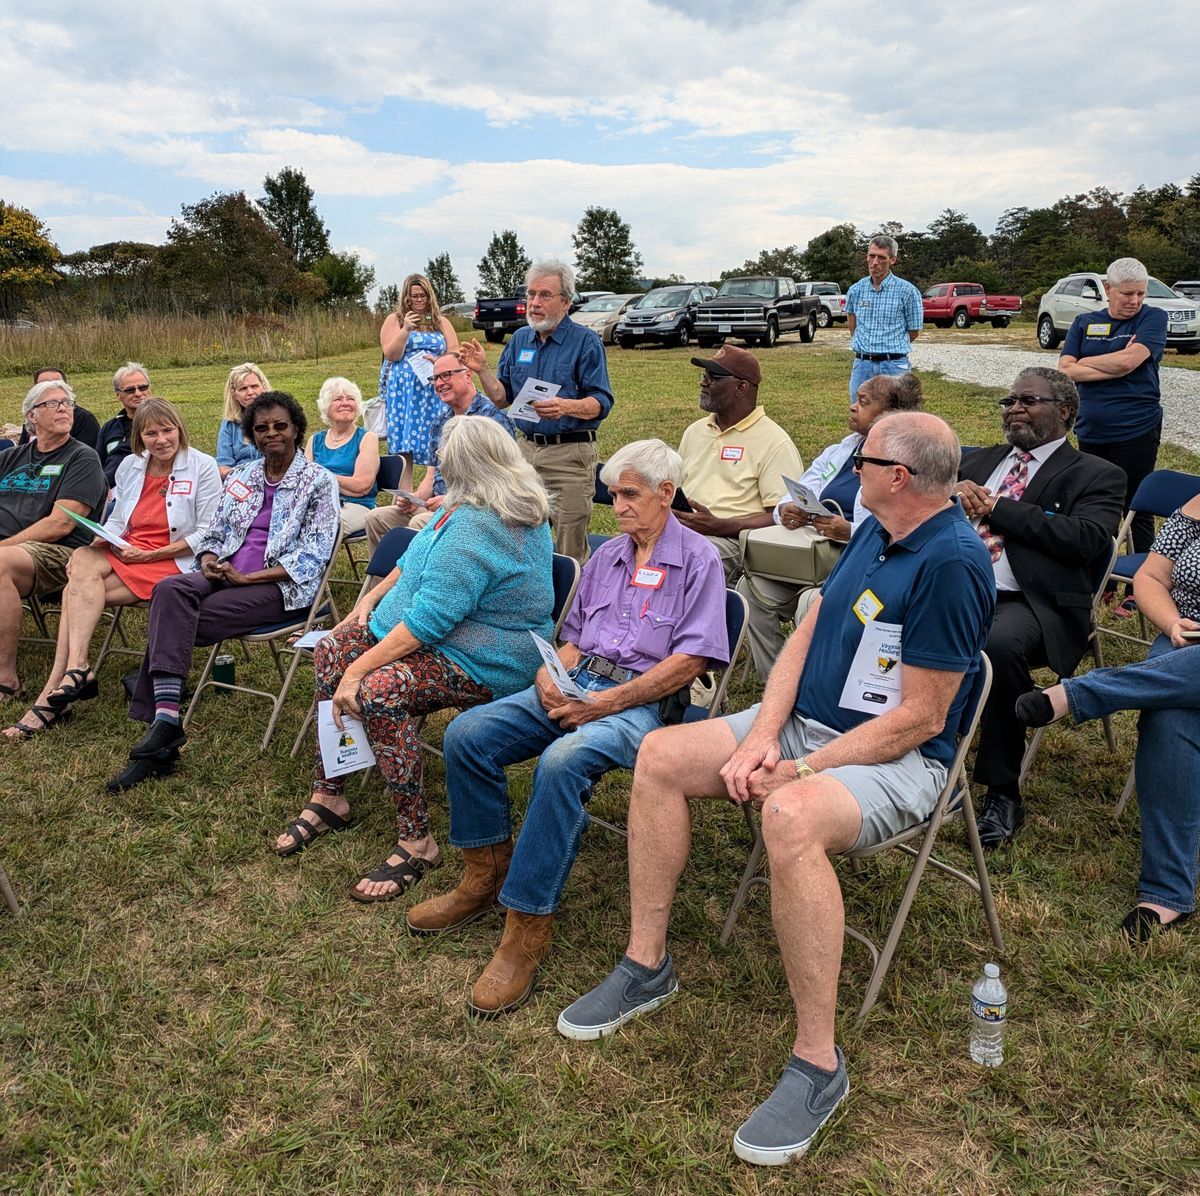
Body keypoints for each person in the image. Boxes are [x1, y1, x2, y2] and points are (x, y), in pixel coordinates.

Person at [556, 413, 994, 1167]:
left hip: (895, 759)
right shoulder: (872, 526)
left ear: (902, 476)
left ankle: (818, 1064)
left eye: (865, 457)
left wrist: (797, 769)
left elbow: (919, 720)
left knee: (787, 816)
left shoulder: (951, 563)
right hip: (800, 722)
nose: (851, 465)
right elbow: (805, 633)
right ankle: (645, 964)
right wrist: (763, 736)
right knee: (660, 755)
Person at [406, 438, 730, 1017]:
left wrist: (605, 705)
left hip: (644, 705)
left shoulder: (698, 559)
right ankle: (484, 875)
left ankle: (526, 926)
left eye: (631, 494)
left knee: (562, 761)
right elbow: (574, 638)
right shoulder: (607, 555)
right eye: (614, 493)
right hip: (581, 685)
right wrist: (551, 675)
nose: (618, 504)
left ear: (666, 493)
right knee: (467, 735)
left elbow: (690, 663)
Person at [272, 416, 555, 905]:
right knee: (331, 648)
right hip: (443, 636)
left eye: (444, 455)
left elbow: (430, 621)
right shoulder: (466, 503)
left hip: (486, 656)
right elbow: (413, 557)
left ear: (464, 464)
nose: (437, 462)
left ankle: (417, 840)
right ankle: (330, 791)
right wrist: (370, 602)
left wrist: (359, 672)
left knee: (380, 689)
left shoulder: (485, 525)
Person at [105, 391, 340, 792]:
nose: (271, 434)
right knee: (169, 591)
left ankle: (160, 731)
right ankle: (167, 722)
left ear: (296, 428)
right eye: (261, 428)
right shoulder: (246, 476)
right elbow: (214, 530)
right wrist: (211, 556)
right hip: (223, 573)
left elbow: (313, 557)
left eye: (280, 426)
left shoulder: (319, 482)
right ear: (251, 434)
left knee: (174, 623)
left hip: (279, 587)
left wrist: (251, 578)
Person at [1016, 491, 1200, 942]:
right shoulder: (1196, 508)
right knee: (1169, 720)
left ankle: (1078, 695)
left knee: (1168, 702)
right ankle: (1165, 893)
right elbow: (1151, 578)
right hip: (1186, 643)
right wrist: (1173, 623)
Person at [956, 367, 1125, 847]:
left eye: (1028, 400)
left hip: (1030, 599)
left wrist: (997, 508)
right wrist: (952, 494)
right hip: (956, 585)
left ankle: (1001, 790)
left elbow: (1088, 540)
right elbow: (925, 504)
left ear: (1065, 411)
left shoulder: (1095, 473)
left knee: (997, 646)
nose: (1014, 408)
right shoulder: (979, 459)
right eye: (1008, 400)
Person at [4, 399, 221, 738]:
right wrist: (106, 541)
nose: (161, 439)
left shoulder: (202, 466)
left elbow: (209, 531)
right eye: (151, 433)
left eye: (168, 430)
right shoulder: (131, 466)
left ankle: (52, 697)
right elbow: (119, 519)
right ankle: (76, 668)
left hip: (172, 559)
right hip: (130, 551)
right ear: (139, 436)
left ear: (180, 429)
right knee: (82, 563)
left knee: (77, 590)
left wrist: (151, 555)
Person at [740, 372, 924, 682]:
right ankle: (776, 680)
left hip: (859, 566)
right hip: (810, 556)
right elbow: (803, 484)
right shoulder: (845, 448)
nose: (853, 407)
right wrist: (787, 509)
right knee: (749, 590)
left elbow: (900, 529)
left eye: (863, 402)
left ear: (889, 415)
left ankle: (813, 684)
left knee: (812, 602)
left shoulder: (904, 465)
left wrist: (848, 531)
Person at [461, 259, 613, 562]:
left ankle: (570, 608)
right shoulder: (519, 340)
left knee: (569, 547)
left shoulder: (585, 342)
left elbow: (602, 402)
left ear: (566, 302)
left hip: (569, 455)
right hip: (524, 453)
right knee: (518, 536)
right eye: (531, 295)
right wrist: (482, 370)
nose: (534, 303)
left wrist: (565, 406)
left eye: (545, 295)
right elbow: (501, 398)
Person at [1058, 257, 1169, 617]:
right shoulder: (1084, 322)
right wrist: (1114, 358)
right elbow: (1065, 370)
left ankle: (1139, 587)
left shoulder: (1152, 318)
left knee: (1136, 505)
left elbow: (1129, 363)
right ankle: (1102, 577)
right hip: (1092, 428)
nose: (1134, 300)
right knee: (1095, 507)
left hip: (1137, 428)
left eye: (1140, 293)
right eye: (1126, 294)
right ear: (1107, 289)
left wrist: (1090, 364)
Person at [0, 380, 108, 702]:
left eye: (67, 403)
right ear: (31, 416)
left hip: (58, 554)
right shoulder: (12, 457)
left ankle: (6, 678)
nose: (63, 407)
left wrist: (4, 547)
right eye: (53, 403)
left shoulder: (82, 458)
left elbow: (60, 524)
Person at [673, 345, 803, 582]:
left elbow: (782, 514)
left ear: (741, 387)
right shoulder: (695, 431)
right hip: (682, 530)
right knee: (626, 551)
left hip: (733, 542)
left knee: (682, 561)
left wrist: (720, 526)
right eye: (704, 376)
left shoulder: (775, 442)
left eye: (713, 378)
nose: (703, 383)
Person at [365, 351, 515, 550]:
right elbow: (431, 477)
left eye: (446, 375)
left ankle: (417, 579)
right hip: (438, 507)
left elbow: (502, 480)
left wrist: (451, 500)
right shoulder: (440, 423)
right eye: (435, 378)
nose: (439, 383)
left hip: (475, 510)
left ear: (468, 375)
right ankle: (383, 581)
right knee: (376, 518)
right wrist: (415, 499)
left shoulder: (492, 418)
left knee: (420, 523)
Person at [379, 273, 459, 493]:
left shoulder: (440, 321)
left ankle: (435, 488)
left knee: (438, 438)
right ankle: (404, 497)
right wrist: (405, 329)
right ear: (406, 296)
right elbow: (391, 354)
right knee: (405, 446)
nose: (419, 300)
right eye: (414, 295)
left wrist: (440, 361)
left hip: (434, 388)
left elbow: (455, 350)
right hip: (403, 392)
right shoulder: (394, 320)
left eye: (423, 295)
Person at [844, 235, 923, 401]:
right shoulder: (856, 290)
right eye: (871, 256)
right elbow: (852, 322)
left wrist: (890, 345)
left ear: (892, 260)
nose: (874, 262)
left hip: (893, 365)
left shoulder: (907, 291)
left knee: (896, 415)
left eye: (881, 257)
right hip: (862, 365)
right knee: (860, 415)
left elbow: (914, 331)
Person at [305, 376, 380, 536]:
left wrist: (322, 476)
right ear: (326, 407)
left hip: (356, 505)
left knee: (323, 526)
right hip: (318, 503)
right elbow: (304, 483)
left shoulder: (367, 438)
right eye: (338, 399)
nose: (345, 403)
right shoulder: (315, 440)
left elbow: (362, 487)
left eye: (351, 399)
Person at [12, 367, 101, 449]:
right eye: (44, 385)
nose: (53, 387)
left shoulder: (84, 419)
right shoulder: (34, 417)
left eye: (58, 383)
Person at [97, 362, 152, 488]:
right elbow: (97, 464)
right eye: (130, 390)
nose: (138, 393)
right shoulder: (109, 427)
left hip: (140, 487)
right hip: (107, 488)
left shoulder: (160, 423)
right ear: (118, 395)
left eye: (143, 387)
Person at [216, 363, 271, 479]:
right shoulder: (229, 424)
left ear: (263, 387)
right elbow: (223, 467)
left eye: (254, 386)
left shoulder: (277, 418)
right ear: (234, 394)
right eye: (243, 388)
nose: (250, 392)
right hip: (240, 483)